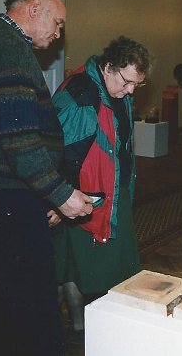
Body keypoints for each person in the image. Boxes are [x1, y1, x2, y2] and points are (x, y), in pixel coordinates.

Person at [0, 0, 93, 356]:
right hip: (0, 195)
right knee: (31, 296)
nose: (58, 33)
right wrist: (61, 194)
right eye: (57, 23)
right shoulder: (6, 50)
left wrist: (47, 194)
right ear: (33, 9)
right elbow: (19, 141)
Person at [51, 35, 153, 343]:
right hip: (82, 199)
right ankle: (84, 331)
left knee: (81, 267)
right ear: (108, 67)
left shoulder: (115, 91)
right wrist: (57, 199)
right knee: (78, 267)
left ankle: (85, 329)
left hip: (109, 193)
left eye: (137, 84)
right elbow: (60, 154)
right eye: (127, 81)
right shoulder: (81, 95)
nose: (131, 90)